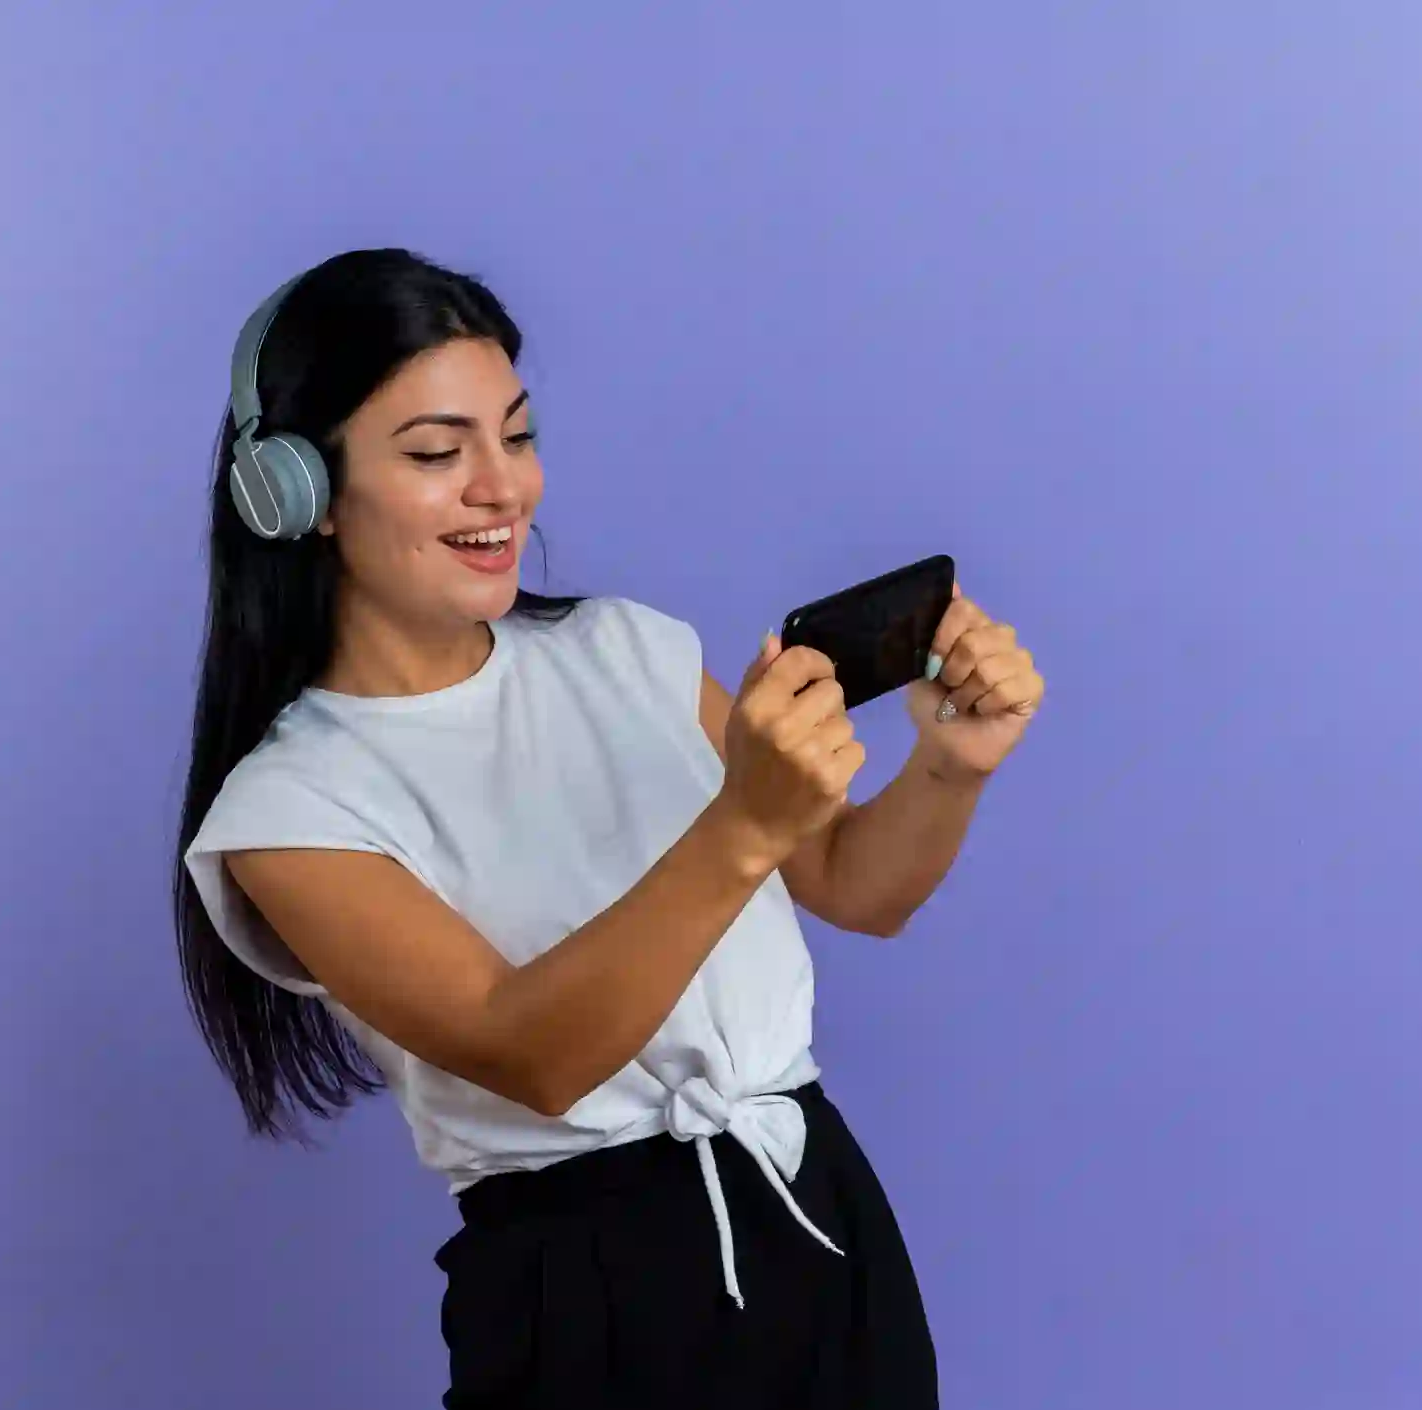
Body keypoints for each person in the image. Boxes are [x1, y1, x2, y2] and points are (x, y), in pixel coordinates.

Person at [174, 248, 1044, 1409]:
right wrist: (739, 824)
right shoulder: (287, 810)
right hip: (589, 1287)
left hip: (820, 1218)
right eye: (437, 453)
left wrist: (949, 765)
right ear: (299, 493)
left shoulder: (623, 647)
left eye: (517, 437)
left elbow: (854, 885)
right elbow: (531, 1051)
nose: (502, 489)